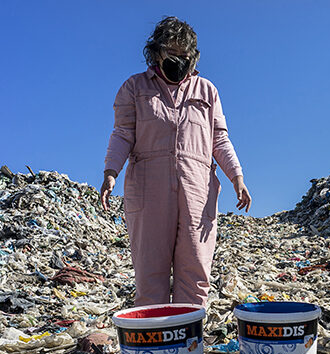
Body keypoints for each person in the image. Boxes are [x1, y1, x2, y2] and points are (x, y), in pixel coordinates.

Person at [100, 16, 251, 307]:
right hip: (148, 185)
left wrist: (237, 177)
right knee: (150, 272)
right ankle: (157, 346)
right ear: (156, 53)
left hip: (198, 187)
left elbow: (219, 138)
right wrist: (110, 171)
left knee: (195, 270)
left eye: (185, 56)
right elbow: (122, 134)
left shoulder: (207, 91)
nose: (178, 61)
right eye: (172, 54)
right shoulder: (134, 88)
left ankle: (189, 346)